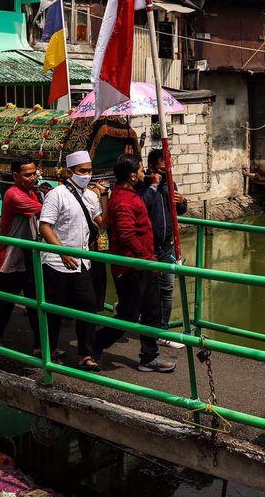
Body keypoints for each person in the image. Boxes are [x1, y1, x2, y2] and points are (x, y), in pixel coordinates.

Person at [93, 154, 175, 373]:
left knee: (152, 310)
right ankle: (96, 342)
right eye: (140, 170)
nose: (143, 173)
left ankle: (149, 356)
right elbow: (127, 234)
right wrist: (149, 259)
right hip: (131, 267)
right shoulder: (122, 200)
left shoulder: (130, 194)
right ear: (131, 175)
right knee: (129, 314)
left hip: (143, 264)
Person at [38, 150, 104, 372]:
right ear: (70, 172)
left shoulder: (91, 196)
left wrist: (106, 195)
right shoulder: (57, 194)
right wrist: (62, 252)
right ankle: (49, 349)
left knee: (87, 308)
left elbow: (101, 222)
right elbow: (45, 225)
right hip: (56, 263)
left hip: (82, 262)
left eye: (89, 171)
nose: (86, 175)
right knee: (54, 310)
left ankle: (85, 354)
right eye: (82, 171)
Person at [0, 157, 45, 354]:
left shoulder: (31, 192)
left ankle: (41, 345)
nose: (33, 177)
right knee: (4, 303)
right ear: (15, 176)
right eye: (28, 175)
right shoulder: (14, 195)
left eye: (34, 173)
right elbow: (43, 212)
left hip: (29, 255)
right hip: (11, 258)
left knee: (36, 302)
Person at [138, 148, 188, 348]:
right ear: (151, 167)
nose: (166, 171)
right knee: (146, 290)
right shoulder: (143, 187)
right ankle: (132, 312)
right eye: (161, 167)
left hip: (166, 246)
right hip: (148, 247)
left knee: (167, 288)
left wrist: (182, 202)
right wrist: (152, 186)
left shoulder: (171, 184)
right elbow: (142, 208)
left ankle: (162, 330)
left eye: (167, 167)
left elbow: (179, 211)